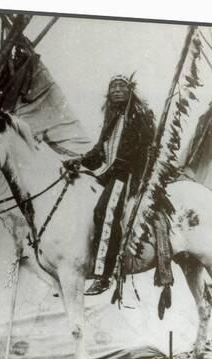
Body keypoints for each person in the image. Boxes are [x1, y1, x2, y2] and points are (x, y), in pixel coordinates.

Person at [64, 74, 156, 295]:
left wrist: (120, 169)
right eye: (113, 86)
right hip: (112, 174)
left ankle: (104, 275)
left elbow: (142, 149)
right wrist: (79, 161)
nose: (117, 90)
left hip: (129, 175)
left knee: (104, 212)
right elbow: (99, 152)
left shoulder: (139, 115)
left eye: (121, 86)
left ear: (130, 90)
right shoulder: (111, 118)